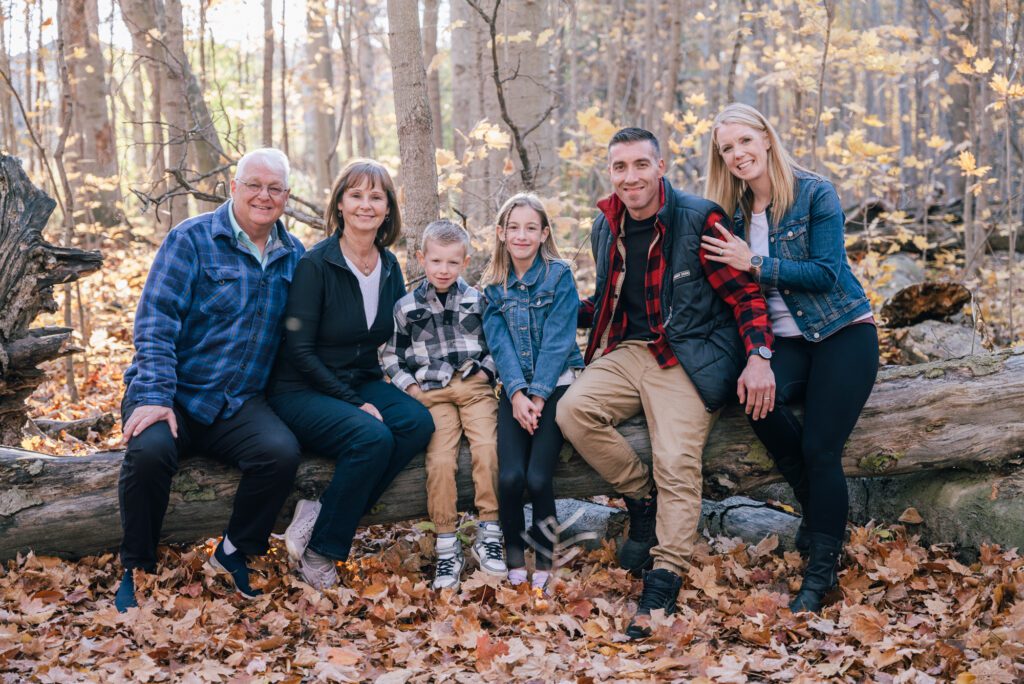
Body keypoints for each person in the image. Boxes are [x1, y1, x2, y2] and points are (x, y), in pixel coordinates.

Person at [555, 128, 775, 638]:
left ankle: (664, 577)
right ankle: (643, 501)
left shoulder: (700, 219)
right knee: (572, 412)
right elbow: (607, 302)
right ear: (609, 173)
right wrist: (549, 307)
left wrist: (760, 356)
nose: (630, 176)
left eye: (639, 164)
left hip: (688, 355)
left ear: (661, 166)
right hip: (630, 351)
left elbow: (746, 296)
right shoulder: (605, 226)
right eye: (619, 167)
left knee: (675, 458)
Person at [703, 103, 878, 613]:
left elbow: (826, 272)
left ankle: (819, 572)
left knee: (823, 448)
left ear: (766, 138)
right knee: (752, 399)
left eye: (743, 142)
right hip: (784, 342)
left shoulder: (814, 192)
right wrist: (755, 353)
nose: (737, 155)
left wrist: (753, 260)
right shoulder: (730, 213)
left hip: (843, 330)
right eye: (726, 149)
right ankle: (820, 507)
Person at [116, 148, 305, 612]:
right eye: (255, 185)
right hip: (173, 391)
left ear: (286, 197)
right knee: (149, 453)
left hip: (238, 402)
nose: (264, 195)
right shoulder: (192, 239)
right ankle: (136, 566)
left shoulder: (295, 256)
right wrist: (156, 396)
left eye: (275, 188)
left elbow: (300, 341)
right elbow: (156, 322)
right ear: (234, 187)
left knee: (280, 454)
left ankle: (234, 552)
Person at [268, 158, 434, 590]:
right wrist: (355, 403)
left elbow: (399, 338)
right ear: (340, 204)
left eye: (375, 197)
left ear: (387, 208)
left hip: (359, 379)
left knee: (417, 423)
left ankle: (321, 514)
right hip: (300, 388)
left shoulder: (390, 266)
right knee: (371, 437)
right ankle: (322, 553)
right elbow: (299, 350)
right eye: (356, 195)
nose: (366, 204)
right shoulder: (316, 264)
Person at [380, 219, 506, 591]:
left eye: (452, 263)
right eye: (435, 261)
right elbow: (389, 355)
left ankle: (490, 532)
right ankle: (447, 543)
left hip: (473, 386)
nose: (443, 270)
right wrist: (410, 387)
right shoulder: (405, 306)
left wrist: (487, 371)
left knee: (486, 447)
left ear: (465, 262)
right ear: (421, 259)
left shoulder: (478, 300)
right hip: (431, 392)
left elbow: (497, 344)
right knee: (440, 460)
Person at [481, 193, 585, 593]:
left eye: (530, 228)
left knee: (539, 478)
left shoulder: (559, 276)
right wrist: (518, 395)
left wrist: (539, 396)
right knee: (509, 477)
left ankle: (544, 558)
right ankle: (512, 558)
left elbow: (559, 342)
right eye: (513, 227)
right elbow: (500, 345)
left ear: (544, 234)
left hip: (556, 386)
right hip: (514, 392)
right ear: (501, 234)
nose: (521, 235)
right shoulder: (492, 287)